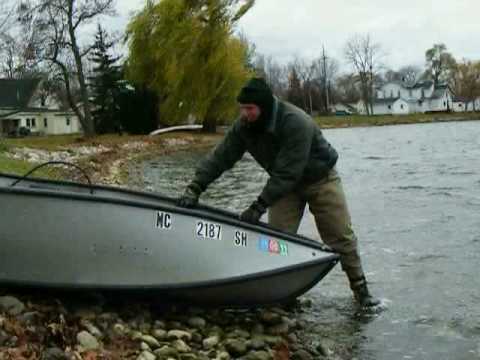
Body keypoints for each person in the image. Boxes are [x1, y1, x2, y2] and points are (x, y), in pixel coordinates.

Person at [177, 77, 380, 307]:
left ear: (263, 107)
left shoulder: (296, 122)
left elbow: (287, 172)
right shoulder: (244, 126)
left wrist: (258, 206)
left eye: (249, 109)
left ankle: (361, 292)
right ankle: (284, 295)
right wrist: (195, 187)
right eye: (242, 108)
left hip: (320, 179)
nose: (244, 114)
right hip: (285, 187)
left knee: (340, 236)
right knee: (277, 240)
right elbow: (220, 157)